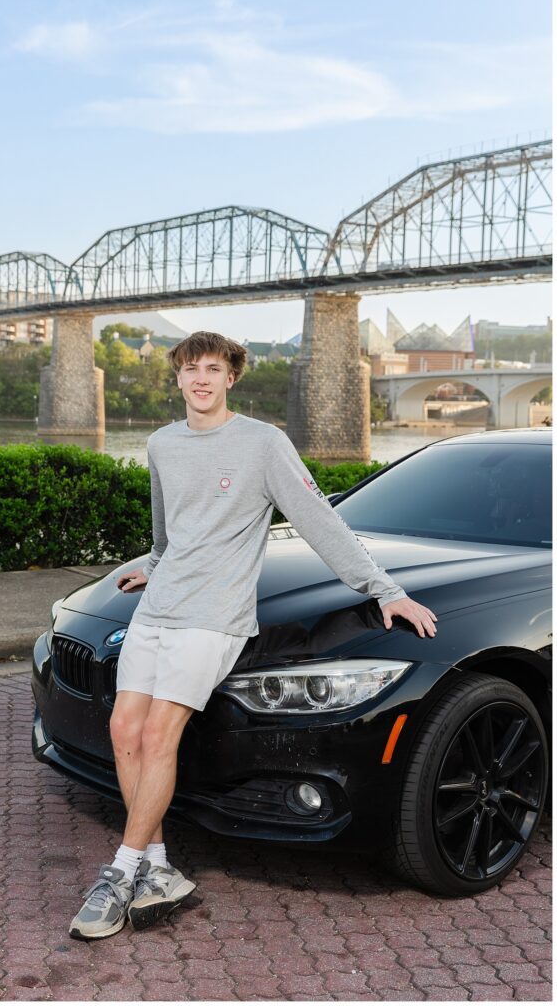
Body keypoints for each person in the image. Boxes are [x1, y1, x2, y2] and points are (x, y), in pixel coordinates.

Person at [69, 331, 437, 940]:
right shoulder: (162, 444)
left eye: (213, 369)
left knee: (161, 732)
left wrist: (383, 589)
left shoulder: (264, 444)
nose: (201, 379)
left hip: (214, 615)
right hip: (158, 608)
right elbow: (168, 535)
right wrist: (151, 568)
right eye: (191, 369)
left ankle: (121, 869)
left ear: (231, 378)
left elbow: (320, 521)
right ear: (179, 378)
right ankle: (158, 869)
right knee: (123, 729)